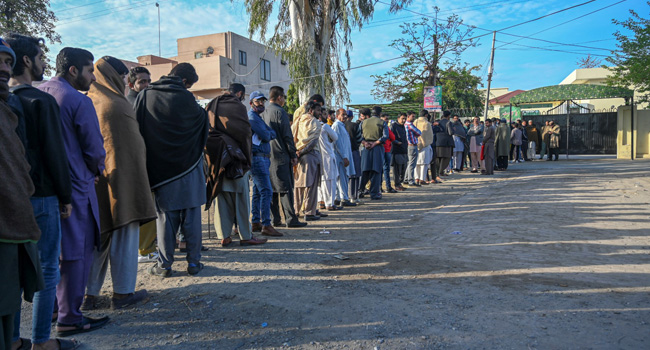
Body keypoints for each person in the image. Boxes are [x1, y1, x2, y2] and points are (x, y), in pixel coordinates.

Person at [5, 33, 77, 350]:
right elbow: (54, 155)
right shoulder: (40, 101)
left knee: (14, 269)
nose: (43, 62)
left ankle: (13, 339)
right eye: (40, 56)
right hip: (45, 196)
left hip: (14, 198)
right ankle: (42, 342)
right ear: (27, 61)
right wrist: (66, 197)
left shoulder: (7, 101)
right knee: (48, 266)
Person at [39, 47, 109, 337]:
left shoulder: (37, 92)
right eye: (90, 70)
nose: (92, 77)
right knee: (76, 251)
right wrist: (95, 170)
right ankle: (69, 316)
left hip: (42, 186)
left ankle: (53, 307)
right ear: (73, 70)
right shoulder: (78, 101)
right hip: (75, 184)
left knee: (51, 252)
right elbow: (93, 147)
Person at [82, 56, 156, 312]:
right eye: (124, 78)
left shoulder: (90, 99)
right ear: (114, 76)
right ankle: (123, 293)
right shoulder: (116, 103)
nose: (126, 83)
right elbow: (127, 149)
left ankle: (89, 295)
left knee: (97, 239)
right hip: (122, 180)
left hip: (96, 181)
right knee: (126, 231)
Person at [135, 63, 208, 277]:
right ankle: (194, 264)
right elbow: (203, 124)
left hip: (161, 170)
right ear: (184, 82)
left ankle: (164, 266)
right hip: (191, 167)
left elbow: (137, 130)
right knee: (192, 217)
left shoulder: (146, 96)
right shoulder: (188, 100)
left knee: (165, 219)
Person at [0, 38, 47, 350]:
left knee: (9, 301)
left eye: (7, 61)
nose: (4, 69)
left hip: (14, 219)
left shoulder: (6, 109)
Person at [205, 83, 268, 247]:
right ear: (240, 93)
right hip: (236, 158)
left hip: (218, 157)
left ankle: (224, 236)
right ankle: (246, 236)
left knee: (222, 196)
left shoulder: (212, 104)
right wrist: (246, 157)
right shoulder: (237, 106)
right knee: (241, 198)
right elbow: (245, 133)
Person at [262, 86, 307, 228]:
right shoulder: (280, 112)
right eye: (284, 97)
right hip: (281, 154)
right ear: (280, 97)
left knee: (272, 189)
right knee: (285, 188)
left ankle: (275, 219)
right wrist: (293, 154)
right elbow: (287, 136)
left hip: (267, 155)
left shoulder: (263, 112)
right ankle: (290, 219)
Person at [248, 91, 283, 237]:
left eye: (262, 101)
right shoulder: (252, 118)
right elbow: (266, 135)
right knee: (267, 191)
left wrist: (267, 134)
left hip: (261, 157)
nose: (261, 103)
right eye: (258, 101)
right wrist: (267, 134)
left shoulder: (258, 117)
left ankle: (256, 221)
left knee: (257, 191)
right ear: (251, 103)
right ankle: (266, 224)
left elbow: (270, 133)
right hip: (258, 157)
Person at [292, 101, 323, 220]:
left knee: (299, 185)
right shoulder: (315, 122)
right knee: (311, 185)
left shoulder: (298, 120)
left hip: (298, 155)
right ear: (311, 110)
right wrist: (303, 151)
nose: (320, 113)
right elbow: (313, 141)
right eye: (318, 110)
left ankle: (295, 211)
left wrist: (297, 153)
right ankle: (309, 212)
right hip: (310, 155)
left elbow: (292, 135)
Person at [359, 106, 389, 200]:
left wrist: (365, 142)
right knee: (376, 170)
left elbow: (358, 135)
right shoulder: (382, 122)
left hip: (366, 148)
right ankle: (374, 193)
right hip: (377, 147)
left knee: (365, 170)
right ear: (380, 113)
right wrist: (375, 143)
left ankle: (360, 191)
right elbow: (385, 136)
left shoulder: (363, 122)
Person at [331, 109, 356, 206]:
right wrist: (344, 156)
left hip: (343, 156)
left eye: (346, 115)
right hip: (340, 156)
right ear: (337, 116)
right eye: (343, 115)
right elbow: (338, 143)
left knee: (343, 177)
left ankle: (339, 197)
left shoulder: (342, 126)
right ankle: (344, 198)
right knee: (342, 178)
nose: (345, 116)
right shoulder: (337, 125)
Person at [317, 108, 340, 210]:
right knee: (330, 181)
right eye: (325, 114)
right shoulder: (325, 126)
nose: (327, 117)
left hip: (318, 156)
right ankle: (329, 203)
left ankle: (321, 201)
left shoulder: (313, 125)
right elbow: (335, 137)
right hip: (327, 156)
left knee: (320, 181)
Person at [344, 110, 363, 203]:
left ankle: (345, 195)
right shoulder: (355, 125)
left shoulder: (340, 126)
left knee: (346, 176)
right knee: (355, 174)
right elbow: (360, 138)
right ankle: (354, 196)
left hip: (343, 153)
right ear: (351, 117)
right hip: (354, 151)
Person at [414, 110, 433, 185]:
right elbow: (429, 136)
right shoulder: (427, 123)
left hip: (415, 144)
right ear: (426, 115)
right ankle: (422, 179)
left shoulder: (415, 122)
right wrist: (424, 143)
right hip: (425, 145)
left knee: (416, 163)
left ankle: (416, 178)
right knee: (424, 164)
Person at [380, 113, 397, 193]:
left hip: (380, 149)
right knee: (386, 169)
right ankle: (388, 186)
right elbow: (392, 137)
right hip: (386, 149)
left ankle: (379, 186)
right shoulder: (385, 127)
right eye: (386, 119)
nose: (387, 121)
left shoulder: (378, 127)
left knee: (380, 169)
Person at [390, 113, 407, 191]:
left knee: (403, 169)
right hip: (396, 150)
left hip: (403, 150)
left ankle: (400, 183)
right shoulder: (393, 126)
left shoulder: (403, 126)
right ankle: (397, 184)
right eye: (402, 118)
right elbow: (391, 137)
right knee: (397, 169)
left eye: (405, 119)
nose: (404, 120)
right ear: (398, 118)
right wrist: (396, 142)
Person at [403, 111, 421, 186]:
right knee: (412, 164)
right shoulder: (410, 125)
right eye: (412, 116)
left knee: (410, 163)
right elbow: (419, 133)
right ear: (408, 116)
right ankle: (410, 180)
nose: (414, 118)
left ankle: (406, 179)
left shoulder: (405, 125)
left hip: (409, 145)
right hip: (412, 145)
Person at [435, 111, 454, 177]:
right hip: (446, 143)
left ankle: (437, 172)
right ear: (448, 116)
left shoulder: (438, 122)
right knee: (446, 158)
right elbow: (450, 132)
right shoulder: (448, 122)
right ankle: (441, 171)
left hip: (437, 142)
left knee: (438, 158)